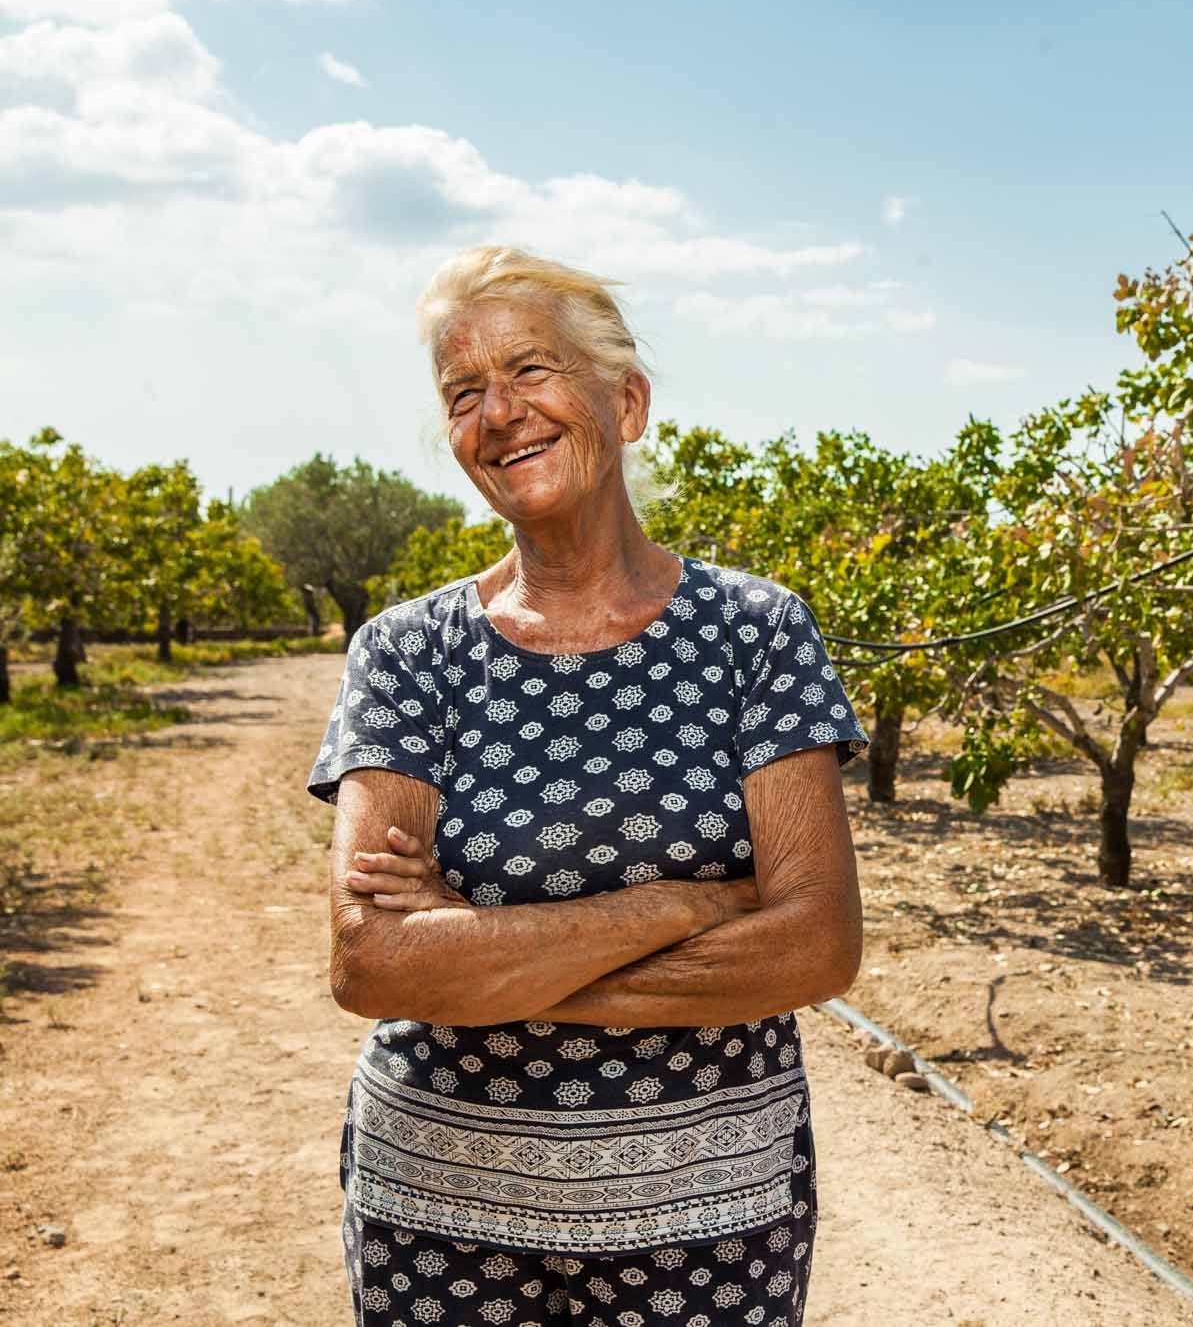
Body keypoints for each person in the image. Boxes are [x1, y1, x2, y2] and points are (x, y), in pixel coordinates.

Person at [305, 245, 868, 1326]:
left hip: (712, 1217)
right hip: (439, 1210)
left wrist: (481, 960)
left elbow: (814, 945)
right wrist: (684, 906)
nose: (499, 412)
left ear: (628, 400)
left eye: (532, 371)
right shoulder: (407, 651)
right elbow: (372, 959)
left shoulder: (754, 632)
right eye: (464, 393)